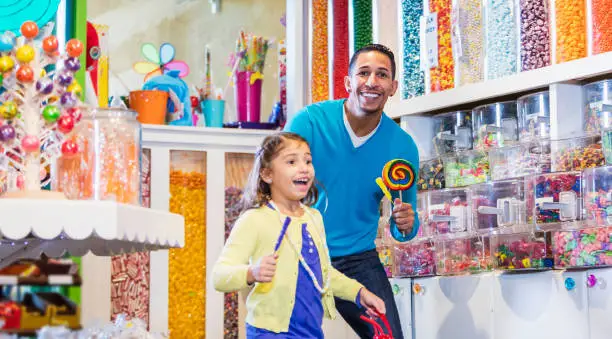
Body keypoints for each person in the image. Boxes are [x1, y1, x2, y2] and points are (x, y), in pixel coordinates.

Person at [284, 43, 419, 338]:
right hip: (298, 251)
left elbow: (406, 225)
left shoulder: (403, 147)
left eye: (382, 75)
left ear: (393, 87)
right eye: (364, 73)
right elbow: (274, 185)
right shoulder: (309, 122)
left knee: (388, 335)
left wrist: (405, 224)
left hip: (357, 258)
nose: (372, 82)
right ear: (348, 82)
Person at [212, 132, 386, 339]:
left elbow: (322, 273)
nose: (303, 167)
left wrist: (359, 293)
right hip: (269, 333)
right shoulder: (254, 220)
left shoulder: (313, 218)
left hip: (311, 333)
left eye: (308, 160)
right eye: (292, 161)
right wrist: (251, 272)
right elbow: (219, 276)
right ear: (267, 175)